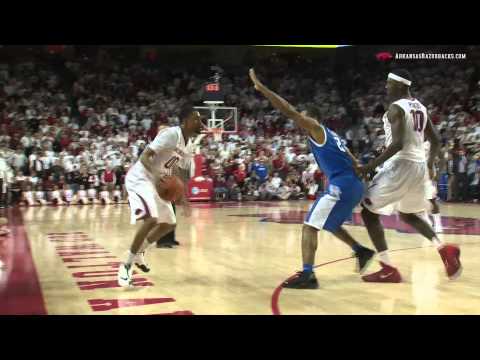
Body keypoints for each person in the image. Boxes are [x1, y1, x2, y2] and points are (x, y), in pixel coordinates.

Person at [249, 68, 374, 289]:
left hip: (342, 185)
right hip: (352, 184)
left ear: (311, 117)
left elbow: (288, 110)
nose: (300, 121)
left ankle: (308, 275)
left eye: (304, 117)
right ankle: (360, 250)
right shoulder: (331, 135)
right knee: (329, 223)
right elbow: (351, 158)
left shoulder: (316, 128)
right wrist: (360, 174)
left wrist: (262, 89)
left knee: (309, 226)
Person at [357, 69, 461, 282]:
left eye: (389, 84)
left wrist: (369, 167)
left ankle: (388, 268)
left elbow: (397, 144)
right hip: (418, 167)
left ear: (400, 86)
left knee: (368, 213)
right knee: (408, 214)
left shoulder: (396, 108)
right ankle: (443, 249)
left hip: (400, 166)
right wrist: (430, 164)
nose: (386, 87)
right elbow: (435, 140)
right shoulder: (421, 107)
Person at [117, 105, 202, 287]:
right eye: (197, 118)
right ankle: (126, 265)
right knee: (151, 219)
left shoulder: (189, 145)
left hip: (159, 182)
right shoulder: (172, 134)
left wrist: (183, 198)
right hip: (141, 178)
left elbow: (179, 172)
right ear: (186, 121)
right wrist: (157, 177)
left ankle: (139, 252)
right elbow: (145, 157)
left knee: (169, 224)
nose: (201, 122)